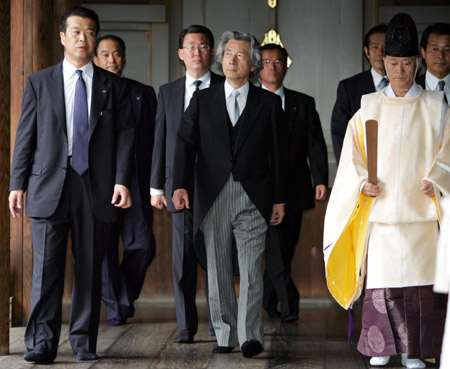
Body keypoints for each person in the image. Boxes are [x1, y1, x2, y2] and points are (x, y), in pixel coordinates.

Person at [8, 7, 135, 364]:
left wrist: (122, 180)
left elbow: (126, 138)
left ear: (95, 39)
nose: (84, 38)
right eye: (76, 31)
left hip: (95, 188)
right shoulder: (39, 82)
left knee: (90, 269)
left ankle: (83, 342)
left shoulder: (114, 86)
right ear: (63, 37)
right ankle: (42, 343)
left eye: (90, 32)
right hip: (49, 184)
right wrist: (17, 183)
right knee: (46, 269)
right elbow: (25, 137)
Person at [323, 13, 450, 369]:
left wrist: (438, 176)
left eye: (407, 63)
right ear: (383, 62)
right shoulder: (367, 107)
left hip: (421, 214)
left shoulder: (436, 107)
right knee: (383, 285)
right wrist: (361, 181)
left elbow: (449, 152)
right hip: (380, 215)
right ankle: (382, 346)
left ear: (417, 62)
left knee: (420, 289)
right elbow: (351, 156)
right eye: (393, 63)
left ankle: (415, 351)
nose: (400, 71)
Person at [172, 30, 288, 358]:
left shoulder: (268, 103)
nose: (232, 60)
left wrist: (279, 198)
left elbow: (279, 155)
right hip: (212, 193)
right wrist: (179, 185)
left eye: (240, 56)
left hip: (254, 195)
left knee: (252, 267)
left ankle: (250, 335)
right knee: (219, 264)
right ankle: (224, 332)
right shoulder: (203, 99)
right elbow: (184, 143)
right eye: (228, 55)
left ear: (252, 66)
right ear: (221, 60)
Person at [150, 25, 224, 344]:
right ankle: (186, 325)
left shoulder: (227, 87)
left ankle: (219, 322)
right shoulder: (167, 91)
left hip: (217, 183)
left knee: (216, 254)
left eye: (204, 45)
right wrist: (157, 186)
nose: (197, 52)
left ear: (212, 53)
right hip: (178, 183)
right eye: (191, 46)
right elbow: (161, 140)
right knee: (182, 257)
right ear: (181, 54)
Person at [259, 43, 328, 321]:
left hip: (296, 188)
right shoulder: (249, 100)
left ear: (286, 65)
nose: (273, 67)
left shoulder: (303, 102)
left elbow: (316, 145)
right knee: (275, 247)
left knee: (285, 248)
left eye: (278, 62)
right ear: (257, 66)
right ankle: (290, 303)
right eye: (266, 62)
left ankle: (266, 300)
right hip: (260, 189)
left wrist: (320, 179)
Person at [93, 34, 157, 326]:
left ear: (125, 57)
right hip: (98, 185)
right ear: (95, 59)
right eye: (105, 54)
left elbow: (155, 140)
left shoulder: (143, 92)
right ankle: (118, 307)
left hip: (137, 184)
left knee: (143, 245)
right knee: (103, 249)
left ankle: (121, 296)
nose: (111, 60)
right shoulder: (86, 92)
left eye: (117, 54)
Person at [331, 24, 387, 163]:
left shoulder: (409, 85)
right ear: (366, 51)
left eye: (386, 46)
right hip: (363, 164)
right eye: (375, 47)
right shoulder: (349, 87)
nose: (381, 52)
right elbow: (340, 133)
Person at [417, 22, 450, 103]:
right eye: (435, 49)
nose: (440, 55)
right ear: (423, 52)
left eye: (447, 50)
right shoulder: (411, 88)